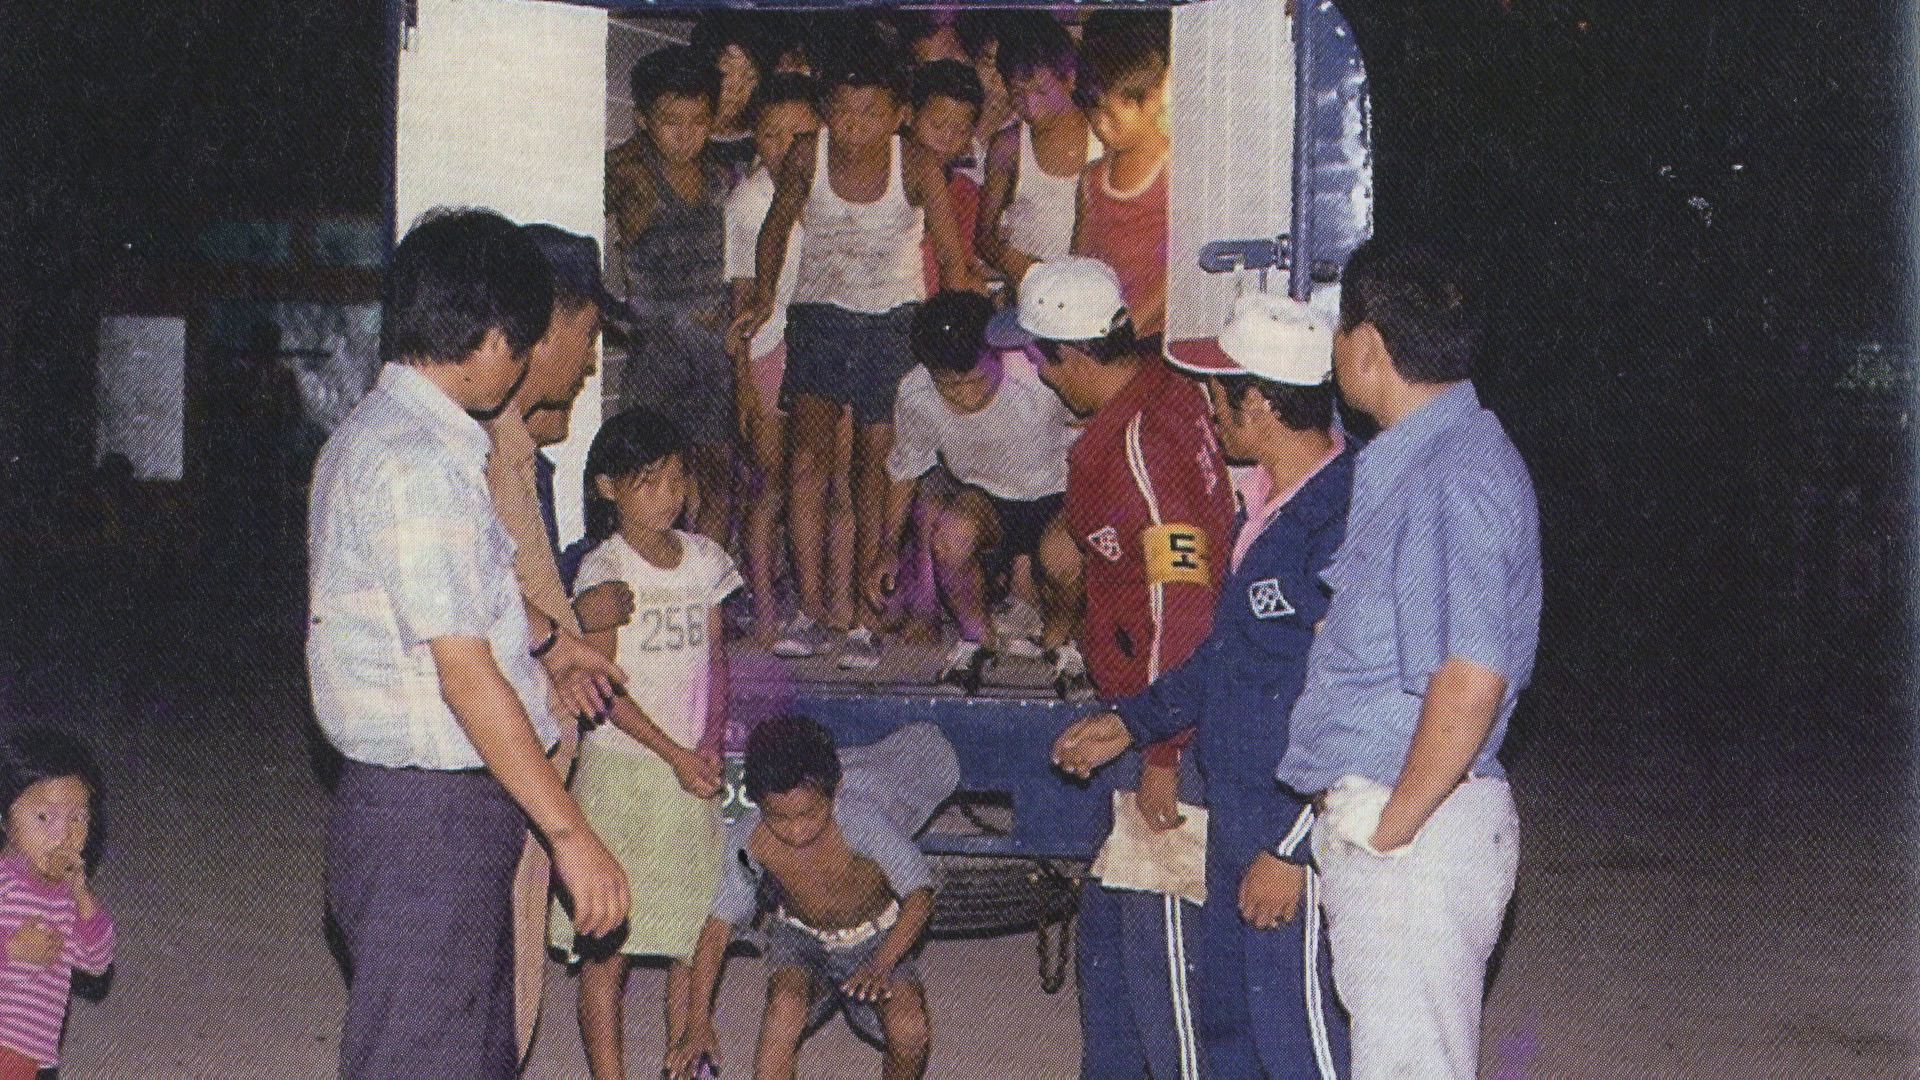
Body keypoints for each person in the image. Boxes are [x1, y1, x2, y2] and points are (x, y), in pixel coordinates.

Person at [308, 208, 629, 1080]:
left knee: (473, 1052)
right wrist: (570, 834)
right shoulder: (418, 465)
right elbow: (466, 674)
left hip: (437, 813)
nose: (524, 367)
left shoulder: (398, 439)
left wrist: (551, 641)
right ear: (490, 341)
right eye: (520, 345)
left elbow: (463, 595)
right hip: (428, 821)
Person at [1054, 289, 1358, 1079]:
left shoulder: (1338, 520)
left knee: (1301, 1042)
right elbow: (1229, 656)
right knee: (1231, 1033)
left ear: (1257, 404)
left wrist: (1291, 848)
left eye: (1218, 393)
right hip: (1235, 811)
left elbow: (1344, 699)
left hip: (1285, 830)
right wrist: (1134, 722)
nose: (1206, 407)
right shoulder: (1266, 505)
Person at [1275, 240, 1539, 1080]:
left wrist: (1392, 829)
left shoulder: (1449, 475)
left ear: (1367, 346)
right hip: (1412, 820)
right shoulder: (1431, 458)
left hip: (1416, 833)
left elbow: (1470, 679)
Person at [997, 255, 1234, 1080]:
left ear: (1069, 354)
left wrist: (1162, 753)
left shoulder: (1138, 448)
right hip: (1138, 717)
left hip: (1164, 729)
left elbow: (1182, 607)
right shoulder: (1162, 390)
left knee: (1163, 958)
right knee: (1108, 942)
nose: (1040, 372)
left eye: (1041, 357)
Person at [732, 49, 982, 669]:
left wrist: (954, 340)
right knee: (807, 463)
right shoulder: (806, 155)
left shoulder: (915, 163)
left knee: (875, 468)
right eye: (842, 110)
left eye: (872, 112)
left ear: (898, 115)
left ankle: (869, 616)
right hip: (819, 317)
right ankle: (814, 610)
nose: (854, 125)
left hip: (895, 323)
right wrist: (764, 299)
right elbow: (775, 228)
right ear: (825, 112)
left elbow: (952, 257)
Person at [552, 407, 742, 1080]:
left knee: (690, 930)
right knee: (610, 941)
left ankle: (684, 1060)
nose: (667, 497)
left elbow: (717, 661)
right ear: (610, 488)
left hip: (691, 769)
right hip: (624, 773)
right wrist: (673, 753)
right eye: (648, 483)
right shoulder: (606, 572)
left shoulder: (705, 560)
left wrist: (709, 741)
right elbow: (601, 688)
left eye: (676, 480)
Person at [487, 222, 636, 1065]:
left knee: (507, 992)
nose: (588, 362)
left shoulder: (518, 451)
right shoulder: (483, 454)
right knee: (486, 998)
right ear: (544, 327)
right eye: (587, 334)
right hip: (507, 772)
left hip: (532, 768)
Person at [667, 716, 958, 1080]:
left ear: (833, 793)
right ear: (757, 803)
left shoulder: (861, 821)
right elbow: (716, 929)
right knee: (783, 1013)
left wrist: (882, 963)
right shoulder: (749, 843)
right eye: (778, 817)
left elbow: (920, 894)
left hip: (877, 940)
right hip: (801, 942)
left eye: (809, 813)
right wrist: (697, 1020)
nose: (796, 830)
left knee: (909, 1028)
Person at [868, 290, 1078, 694]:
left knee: (1063, 556)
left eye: (977, 381)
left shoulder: (1038, 377)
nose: (965, 396)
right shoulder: (916, 394)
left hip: (1057, 495)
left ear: (998, 356)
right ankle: (977, 639)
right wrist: (888, 547)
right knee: (950, 536)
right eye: (950, 386)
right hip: (987, 498)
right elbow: (904, 472)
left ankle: (1062, 643)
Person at [607, 45, 735, 543]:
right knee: (647, 477)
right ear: (643, 120)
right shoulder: (629, 171)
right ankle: (647, 573)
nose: (685, 135)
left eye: (698, 121)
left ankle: (707, 576)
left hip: (714, 352)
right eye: (670, 122)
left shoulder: (721, 176)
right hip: (657, 352)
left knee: (716, 479)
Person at [725, 72, 825, 647]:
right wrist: (743, 382)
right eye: (771, 135)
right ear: (753, 137)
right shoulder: (748, 202)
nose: (785, 147)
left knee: (814, 480)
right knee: (770, 485)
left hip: (823, 347)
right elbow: (742, 301)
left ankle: (815, 606)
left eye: (799, 134)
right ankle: (764, 607)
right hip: (768, 351)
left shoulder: (832, 186)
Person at [0, 728, 113, 1080]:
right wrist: (9, 950)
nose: (64, 834)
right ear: (5, 820)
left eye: (78, 817)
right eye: (44, 817)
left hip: (39, 1055)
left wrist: (83, 898)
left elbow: (97, 962)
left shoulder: (66, 899)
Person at [1072, 10, 1171, 340]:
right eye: (1093, 112)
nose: (1100, 125)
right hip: (1101, 329)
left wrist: (1131, 326)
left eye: (1112, 114)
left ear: (1153, 98)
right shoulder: (1092, 179)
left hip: (1156, 332)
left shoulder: (1174, 171)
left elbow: (1181, 268)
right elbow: (1081, 261)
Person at [976, 12, 1092, 290]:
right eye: (1018, 93)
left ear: (1069, 78)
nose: (1030, 105)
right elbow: (983, 236)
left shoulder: (1101, 134)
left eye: (1041, 91)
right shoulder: (1010, 146)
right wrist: (1017, 264)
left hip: (1085, 286)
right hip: (1025, 285)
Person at [909, 60, 990, 297]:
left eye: (960, 130)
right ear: (909, 115)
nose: (946, 138)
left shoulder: (967, 194)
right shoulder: (887, 178)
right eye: (937, 125)